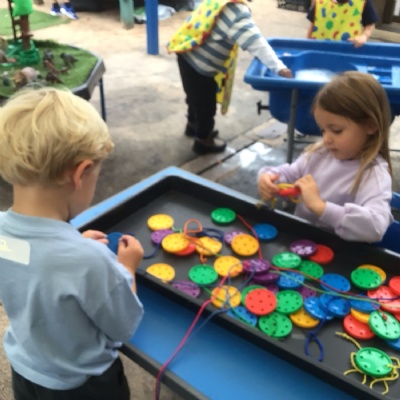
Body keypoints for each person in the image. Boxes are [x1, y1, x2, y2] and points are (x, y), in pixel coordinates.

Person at [0, 87, 144, 400]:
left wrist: (72, 243)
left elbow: (29, 258)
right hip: (82, 387)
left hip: (26, 373)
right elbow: (124, 326)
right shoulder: (89, 261)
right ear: (81, 173)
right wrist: (127, 269)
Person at [258, 71, 393, 243]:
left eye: (336, 130)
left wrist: (321, 207)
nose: (327, 139)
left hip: (340, 252)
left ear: (371, 126)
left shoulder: (373, 175)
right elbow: (290, 174)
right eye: (323, 130)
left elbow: (375, 227)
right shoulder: (320, 154)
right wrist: (269, 178)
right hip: (301, 242)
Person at [167, 0, 292, 154]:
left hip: (186, 53)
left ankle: (192, 126)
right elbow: (256, 43)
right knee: (206, 106)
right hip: (201, 66)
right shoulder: (236, 12)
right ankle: (203, 141)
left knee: (194, 98)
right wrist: (280, 68)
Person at [306, 0, 378, 48]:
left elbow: (370, 23)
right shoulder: (321, 2)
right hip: (320, 51)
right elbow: (312, 27)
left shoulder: (361, 2)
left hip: (348, 51)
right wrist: (306, 46)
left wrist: (364, 36)